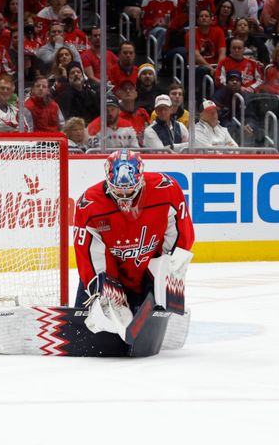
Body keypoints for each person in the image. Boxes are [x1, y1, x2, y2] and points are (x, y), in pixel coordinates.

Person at [70, 150, 194, 352]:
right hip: (110, 276)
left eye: (130, 190)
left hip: (147, 274)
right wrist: (107, 295)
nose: (125, 196)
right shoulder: (89, 205)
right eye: (119, 191)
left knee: (143, 346)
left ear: (141, 180)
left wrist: (163, 280)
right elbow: (89, 258)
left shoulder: (167, 189)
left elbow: (181, 238)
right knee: (87, 342)